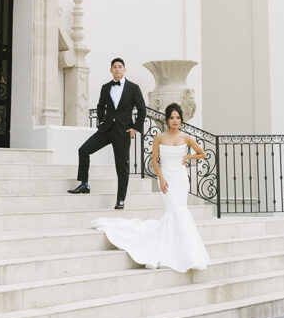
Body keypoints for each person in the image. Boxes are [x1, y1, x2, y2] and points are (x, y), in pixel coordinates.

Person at [90, 103, 211, 272]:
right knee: (174, 210)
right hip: (167, 177)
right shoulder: (160, 137)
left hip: (181, 178)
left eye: (177, 117)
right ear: (167, 120)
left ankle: (185, 251)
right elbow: (154, 160)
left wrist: (187, 157)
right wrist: (160, 179)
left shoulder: (186, 137)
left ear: (181, 120)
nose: (175, 120)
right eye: (171, 117)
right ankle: (173, 250)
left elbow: (203, 153)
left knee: (180, 210)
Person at [68, 57, 146, 210]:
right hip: (107, 129)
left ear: (124, 70)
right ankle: (84, 184)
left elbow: (142, 110)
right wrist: (102, 121)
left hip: (123, 132)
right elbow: (100, 106)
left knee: (121, 167)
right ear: (111, 70)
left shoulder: (133, 88)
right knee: (83, 150)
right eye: (114, 67)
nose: (117, 69)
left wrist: (135, 128)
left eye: (120, 66)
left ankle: (121, 199)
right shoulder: (105, 87)